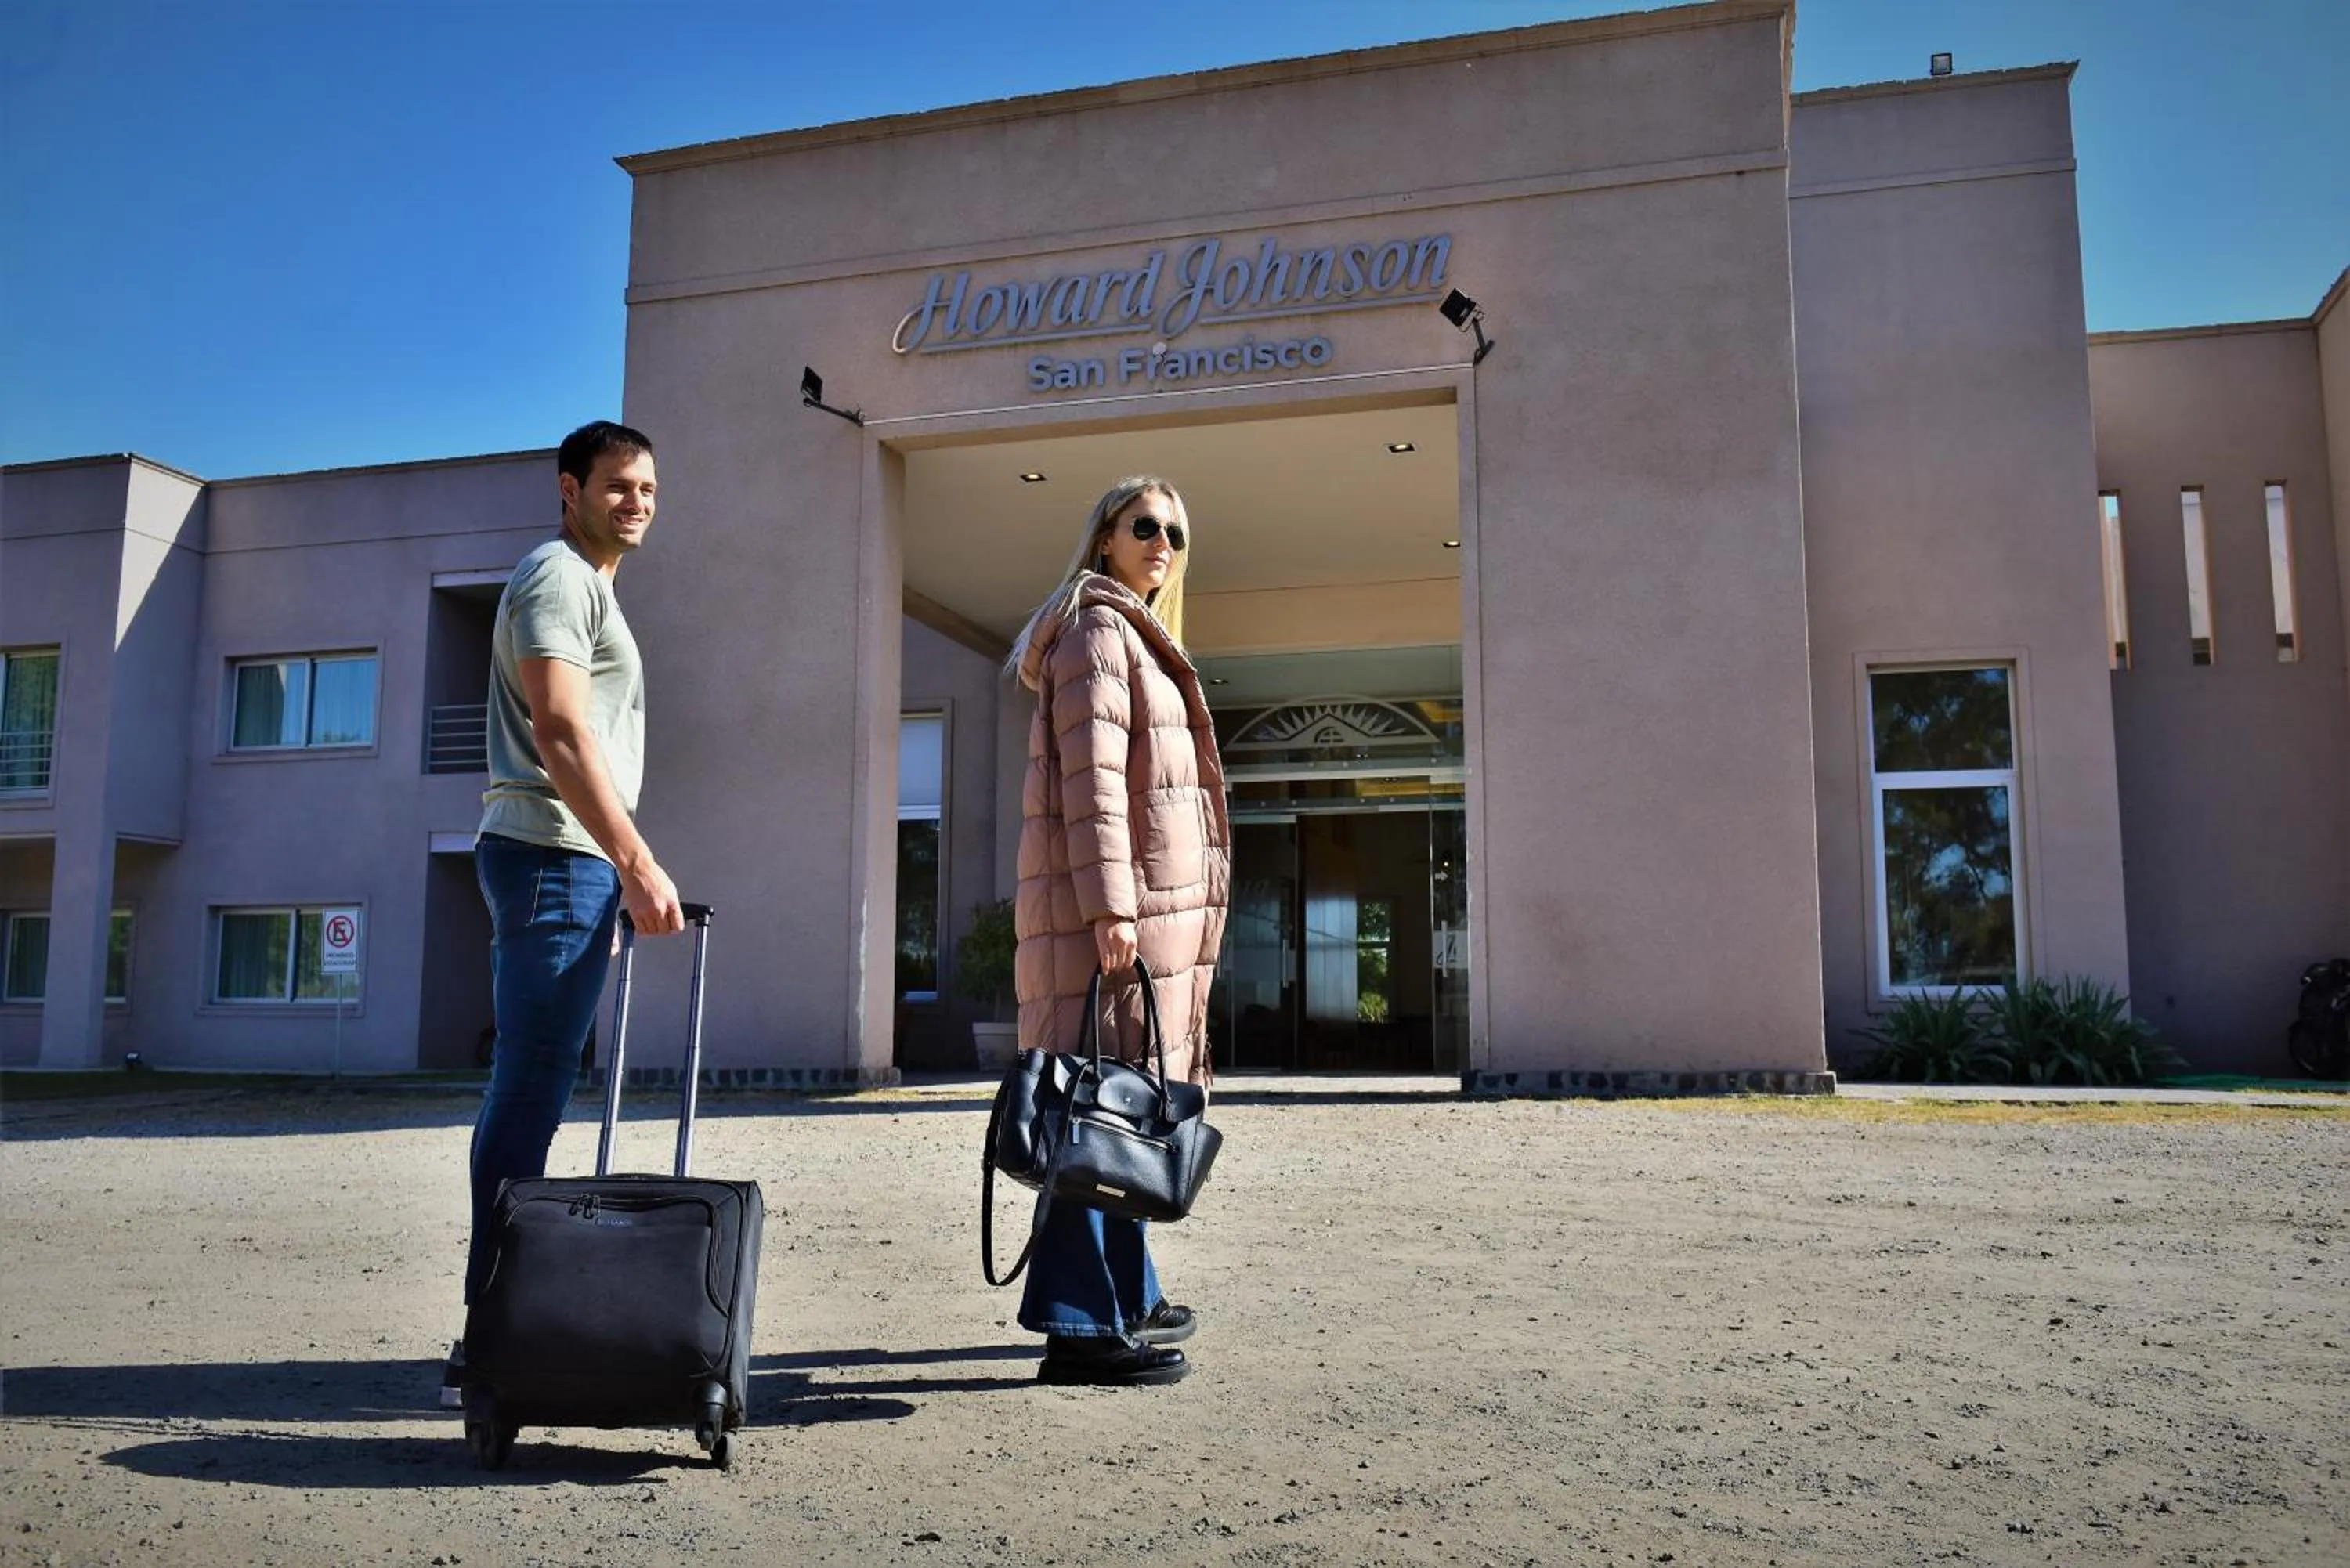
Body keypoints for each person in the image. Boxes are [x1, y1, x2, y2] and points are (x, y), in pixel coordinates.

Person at [441, 421, 686, 1406]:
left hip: (565, 857)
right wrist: (635, 859)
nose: (637, 501)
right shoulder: (556, 575)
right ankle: (492, 1332)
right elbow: (558, 728)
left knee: (538, 1085)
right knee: (532, 1087)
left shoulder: (591, 586)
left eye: (650, 489)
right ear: (569, 487)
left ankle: (503, 1323)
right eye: (620, 484)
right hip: (552, 854)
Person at [1005, 474, 1232, 1386]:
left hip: (1145, 916)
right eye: (1144, 526)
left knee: (1120, 1105)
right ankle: (1078, 1328)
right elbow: (1092, 781)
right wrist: (1110, 907)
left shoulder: (1134, 630)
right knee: (1084, 1113)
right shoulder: (1099, 628)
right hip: (1114, 915)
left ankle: (1126, 1291)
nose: (1162, 542)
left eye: (1176, 530)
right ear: (1103, 537)